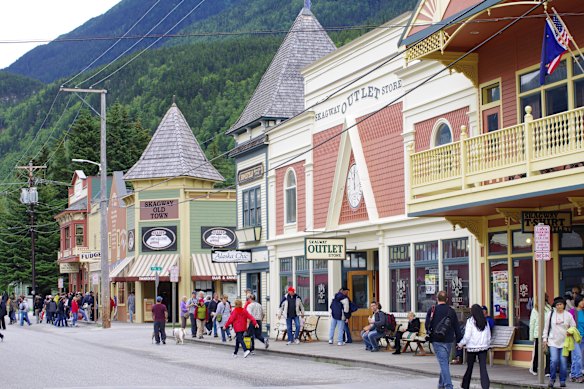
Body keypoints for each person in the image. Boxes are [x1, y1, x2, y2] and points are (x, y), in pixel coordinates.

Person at [425, 291, 462, 389]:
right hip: (449, 340)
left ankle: (448, 386)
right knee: (444, 362)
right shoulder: (451, 311)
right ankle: (441, 385)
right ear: (447, 299)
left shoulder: (432, 310)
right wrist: (460, 341)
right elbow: (457, 327)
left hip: (436, 340)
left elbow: (427, 325)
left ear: (437, 299)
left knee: (443, 362)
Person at [543, 296, 576, 388]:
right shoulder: (550, 314)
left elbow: (573, 326)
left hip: (565, 342)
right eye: (557, 305)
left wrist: (570, 331)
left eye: (561, 304)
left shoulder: (568, 315)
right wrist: (544, 339)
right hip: (553, 341)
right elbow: (546, 328)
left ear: (564, 305)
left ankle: (562, 380)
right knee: (554, 360)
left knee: (563, 362)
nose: (559, 306)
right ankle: (552, 379)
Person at [458, 304, 491, 389]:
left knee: (470, 367)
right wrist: (487, 344)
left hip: (472, 347)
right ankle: (485, 385)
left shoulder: (470, 321)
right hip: (483, 347)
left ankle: (465, 385)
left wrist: (461, 344)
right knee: (483, 368)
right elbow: (488, 336)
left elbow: (467, 336)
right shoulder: (485, 321)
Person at [530, 293, 552, 376]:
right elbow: (532, 323)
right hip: (538, 334)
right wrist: (531, 336)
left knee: (548, 353)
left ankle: (548, 370)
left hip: (547, 334)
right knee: (537, 353)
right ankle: (534, 368)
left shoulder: (549, 308)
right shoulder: (535, 309)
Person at [569, 295, 584, 383]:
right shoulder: (572, 311)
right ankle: (578, 375)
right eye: (582, 301)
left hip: (583, 337)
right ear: (578, 301)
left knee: (577, 357)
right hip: (575, 337)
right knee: (578, 356)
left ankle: (573, 374)